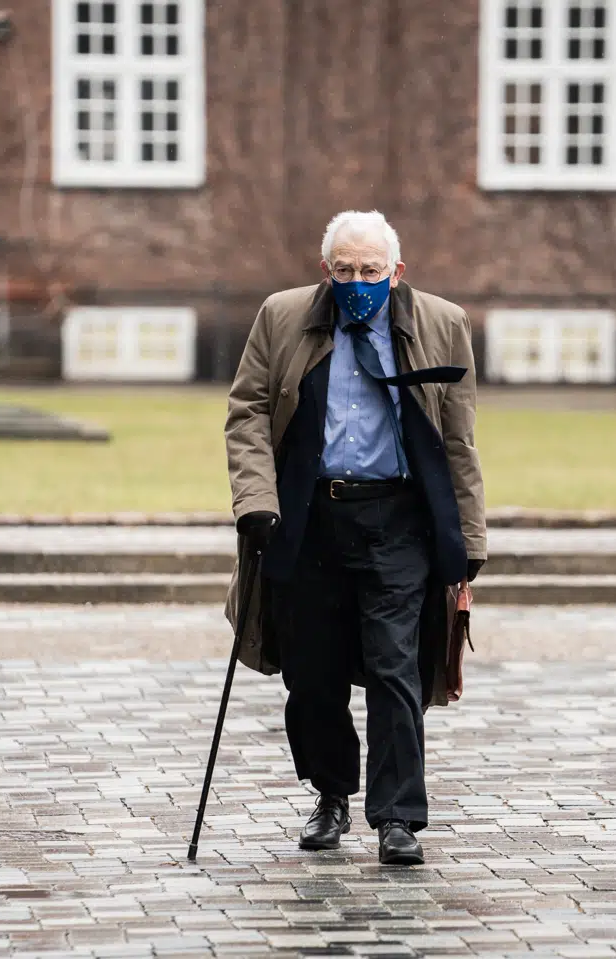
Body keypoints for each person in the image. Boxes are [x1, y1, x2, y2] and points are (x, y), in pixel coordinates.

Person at [224, 210, 486, 866]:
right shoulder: (283, 318)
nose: (357, 282)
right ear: (325, 271)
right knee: (313, 674)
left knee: (397, 664)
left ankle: (398, 815)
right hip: (309, 518)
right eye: (344, 271)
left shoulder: (441, 323)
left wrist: (471, 534)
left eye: (370, 271)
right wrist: (256, 503)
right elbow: (248, 410)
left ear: (397, 272)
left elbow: (458, 439)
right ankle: (332, 793)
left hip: (397, 521)